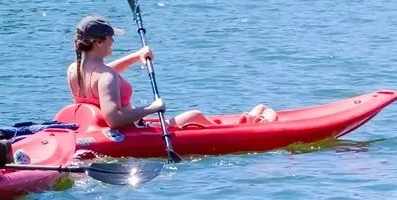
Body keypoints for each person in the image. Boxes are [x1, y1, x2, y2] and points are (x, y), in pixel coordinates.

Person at [67, 15, 274, 130]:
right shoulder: (106, 77)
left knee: (194, 117)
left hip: (104, 130)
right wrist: (152, 108)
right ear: (97, 42)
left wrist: (136, 55)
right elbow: (114, 118)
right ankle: (239, 130)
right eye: (110, 37)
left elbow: (103, 75)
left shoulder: (75, 69)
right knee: (196, 115)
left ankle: (243, 122)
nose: (113, 40)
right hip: (133, 132)